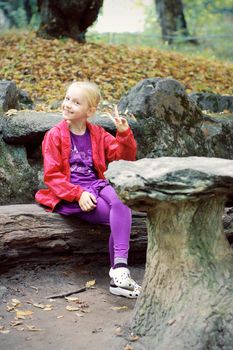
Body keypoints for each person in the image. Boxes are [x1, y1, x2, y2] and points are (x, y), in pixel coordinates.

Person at [35, 81, 141, 298]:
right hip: (71, 194)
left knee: (121, 201)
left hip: (97, 185)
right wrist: (78, 194)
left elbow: (123, 159)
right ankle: (119, 280)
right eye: (67, 99)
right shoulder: (54, 135)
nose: (68, 105)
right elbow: (52, 176)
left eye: (76, 102)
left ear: (90, 111)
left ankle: (119, 270)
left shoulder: (97, 133)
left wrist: (124, 134)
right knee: (117, 216)